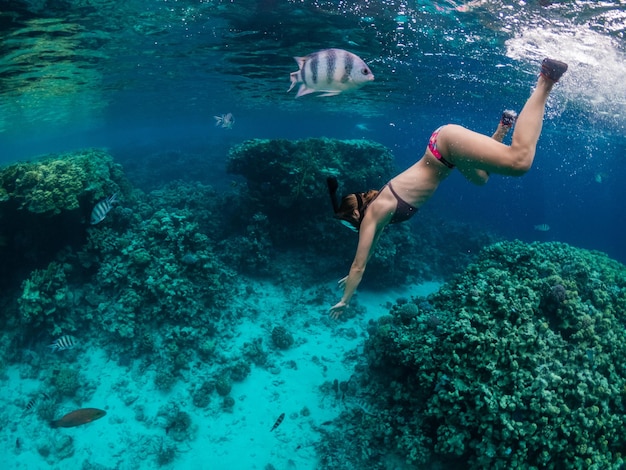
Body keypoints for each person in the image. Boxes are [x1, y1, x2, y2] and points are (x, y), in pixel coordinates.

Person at [327, 57, 568, 319]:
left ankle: (546, 79)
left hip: (446, 145)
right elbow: (368, 250)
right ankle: (501, 131)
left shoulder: (376, 212)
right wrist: (349, 277)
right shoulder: (377, 214)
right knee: (480, 179)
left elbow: (359, 264)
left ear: (357, 217)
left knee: (519, 162)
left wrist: (345, 299)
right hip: (446, 156)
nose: (357, 231)